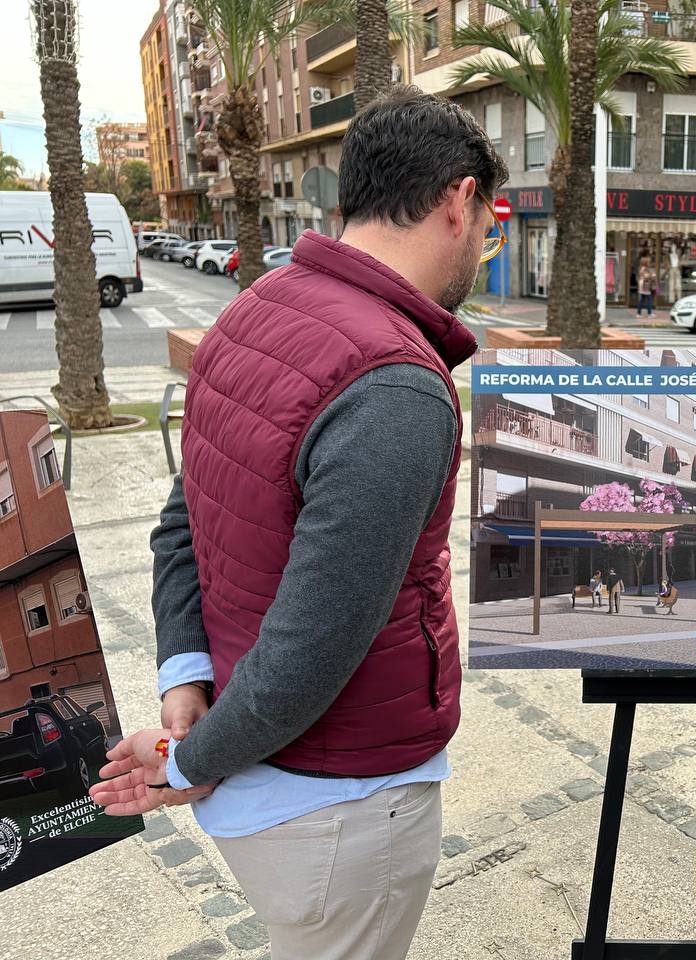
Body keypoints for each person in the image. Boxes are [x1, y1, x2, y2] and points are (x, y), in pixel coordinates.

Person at [90, 87, 508, 960]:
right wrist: (185, 760)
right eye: (487, 222)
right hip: (340, 808)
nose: (480, 245)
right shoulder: (394, 383)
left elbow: (181, 529)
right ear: (458, 201)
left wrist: (185, 683)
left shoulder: (252, 313)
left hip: (268, 788)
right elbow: (314, 647)